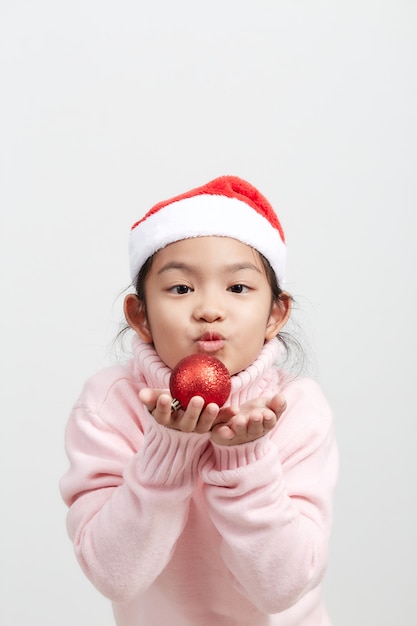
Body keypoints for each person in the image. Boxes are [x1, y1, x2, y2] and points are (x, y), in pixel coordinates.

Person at [60, 175, 338, 626]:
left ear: (275, 314)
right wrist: (166, 454)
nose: (210, 309)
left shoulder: (297, 409)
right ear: (140, 315)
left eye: (238, 288)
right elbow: (114, 576)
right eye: (181, 288)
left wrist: (244, 461)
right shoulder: (108, 405)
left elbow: (282, 589)